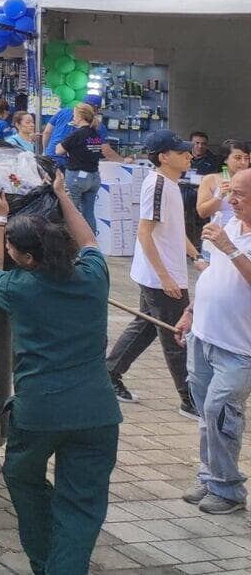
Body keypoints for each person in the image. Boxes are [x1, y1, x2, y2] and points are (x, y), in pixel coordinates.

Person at [0, 173, 120, 575]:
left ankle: (47, 561)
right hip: (97, 411)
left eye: (13, 246)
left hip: (40, 411)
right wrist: (63, 196)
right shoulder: (93, 278)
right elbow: (90, 239)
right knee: (81, 504)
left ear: (25, 257)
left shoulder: (18, 287)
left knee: (21, 476)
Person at [176, 166, 251, 513]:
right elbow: (213, 276)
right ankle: (211, 477)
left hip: (240, 348)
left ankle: (229, 490)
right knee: (207, 413)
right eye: (230, 191)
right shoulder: (230, 225)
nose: (230, 199)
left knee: (220, 412)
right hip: (203, 336)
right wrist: (190, 312)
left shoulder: (231, 236)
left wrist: (230, 248)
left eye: (240, 194)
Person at [107, 130, 199, 414]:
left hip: (162, 272)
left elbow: (172, 230)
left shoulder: (170, 184)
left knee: (145, 326)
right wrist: (165, 277)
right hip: (161, 276)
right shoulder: (157, 185)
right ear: (163, 157)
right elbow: (145, 233)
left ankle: (109, 375)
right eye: (181, 151)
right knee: (176, 336)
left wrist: (195, 254)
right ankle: (190, 398)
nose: (189, 155)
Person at [56, 101, 120, 234]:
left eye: (74, 115)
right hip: (94, 176)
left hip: (76, 176)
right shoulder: (95, 134)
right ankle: (91, 243)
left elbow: (58, 150)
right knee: (89, 212)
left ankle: (72, 244)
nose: (73, 118)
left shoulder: (76, 134)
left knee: (71, 212)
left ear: (79, 117)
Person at [198, 139, 249, 226]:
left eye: (247, 158)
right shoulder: (210, 179)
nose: (243, 162)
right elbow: (202, 213)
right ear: (225, 159)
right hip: (220, 231)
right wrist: (219, 196)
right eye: (238, 158)